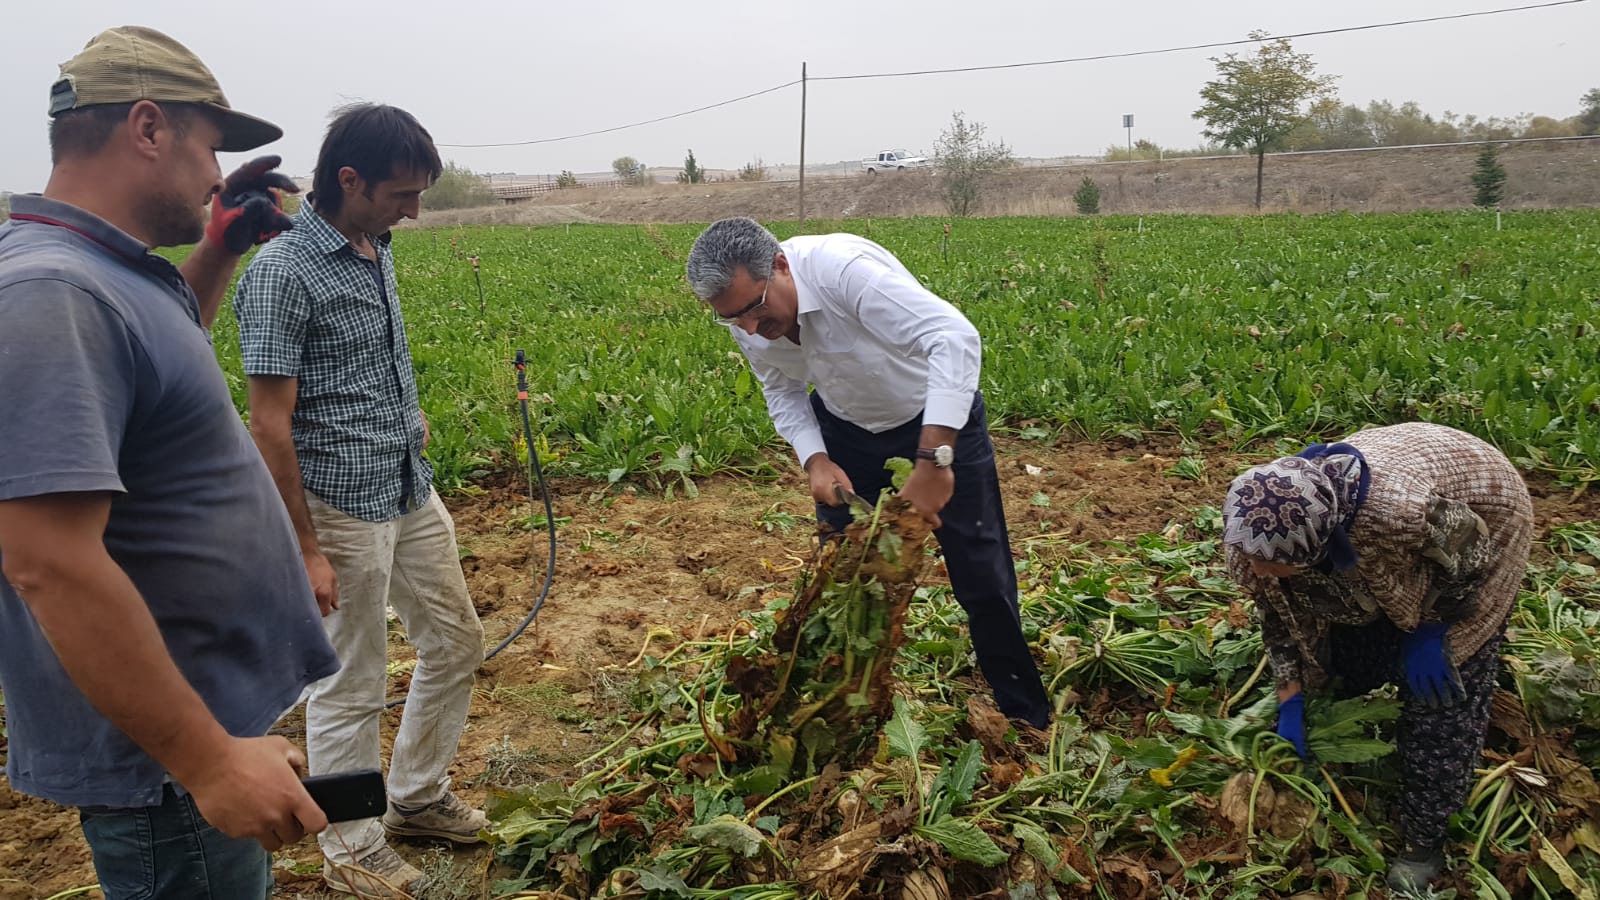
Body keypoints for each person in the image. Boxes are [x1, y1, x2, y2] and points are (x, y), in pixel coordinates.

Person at [0, 26, 339, 900]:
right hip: (166, 765)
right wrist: (210, 761)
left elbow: (148, 361)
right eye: (210, 149)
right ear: (148, 128)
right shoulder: (53, 293)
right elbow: (47, 560)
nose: (214, 177)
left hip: (191, 736)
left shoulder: (105, 275)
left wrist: (218, 246)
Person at [233, 102, 487, 896]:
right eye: (400, 194)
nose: (413, 211)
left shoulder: (372, 246)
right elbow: (269, 425)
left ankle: (414, 796)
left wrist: (404, 408)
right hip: (339, 505)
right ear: (350, 179)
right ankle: (350, 845)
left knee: (456, 639)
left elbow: (368, 360)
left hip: (407, 486)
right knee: (351, 677)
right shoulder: (282, 273)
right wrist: (305, 548)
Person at [684, 216, 1051, 728]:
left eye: (752, 310)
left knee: (981, 574)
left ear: (782, 266)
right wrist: (815, 458)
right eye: (730, 319)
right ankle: (842, 715)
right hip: (847, 430)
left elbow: (954, 336)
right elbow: (781, 388)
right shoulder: (750, 317)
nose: (748, 328)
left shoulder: (845, 273)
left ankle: (1025, 715)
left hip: (938, 422)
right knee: (842, 580)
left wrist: (933, 459)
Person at [1221, 422, 1533, 891]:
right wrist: (1290, 698)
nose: (1258, 569)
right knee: (1346, 642)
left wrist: (1432, 631)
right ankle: (1377, 658)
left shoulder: (1398, 516)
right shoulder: (1254, 536)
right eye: (1253, 558)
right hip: (1394, 518)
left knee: (1443, 689)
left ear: (1320, 545)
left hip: (1485, 517)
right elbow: (1280, 616)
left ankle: (1424, 839)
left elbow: (1472, 551)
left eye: (1272, 561)